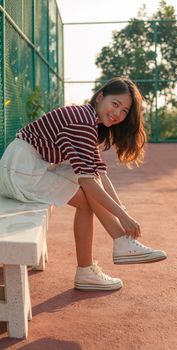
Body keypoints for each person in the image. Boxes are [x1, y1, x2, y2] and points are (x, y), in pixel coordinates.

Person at [0, 77, 167, 291]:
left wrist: (123, 211)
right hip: (21, 171)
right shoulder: (81, 120)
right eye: (115, 104)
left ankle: (115, 248)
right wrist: (123, 218)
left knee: (89, 188)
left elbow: (99, 174)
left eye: (124, 111)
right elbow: (88, 182)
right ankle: (98, 261)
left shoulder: (87, 120)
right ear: (100, 97)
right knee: (87, 198)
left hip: (22, 168)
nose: (118, 114)